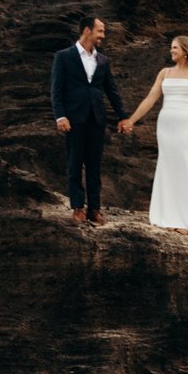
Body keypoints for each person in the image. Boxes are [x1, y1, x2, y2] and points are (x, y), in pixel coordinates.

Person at [118, 35, 188, 235]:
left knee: (185, 166)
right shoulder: (165, 73)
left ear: (185, 51)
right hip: (166, 124)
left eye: (175, 48)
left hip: (185, 124)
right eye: (171, 47)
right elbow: (151, 98)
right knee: (168, 165)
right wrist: (131, 120)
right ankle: (168, 216)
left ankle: (187, 220)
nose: (171, 51)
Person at [49, 14, 126, 224]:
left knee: (94, 165)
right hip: (73, 119)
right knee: (74, 163)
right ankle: (77, 207)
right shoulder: (64, 56)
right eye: (100, 31)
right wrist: (60, 116)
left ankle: (94, 208)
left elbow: (112, 90)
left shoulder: (102, 60)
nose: (103, 35)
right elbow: (56, 90)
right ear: (87, 31)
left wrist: (123, 117)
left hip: (96, 119)